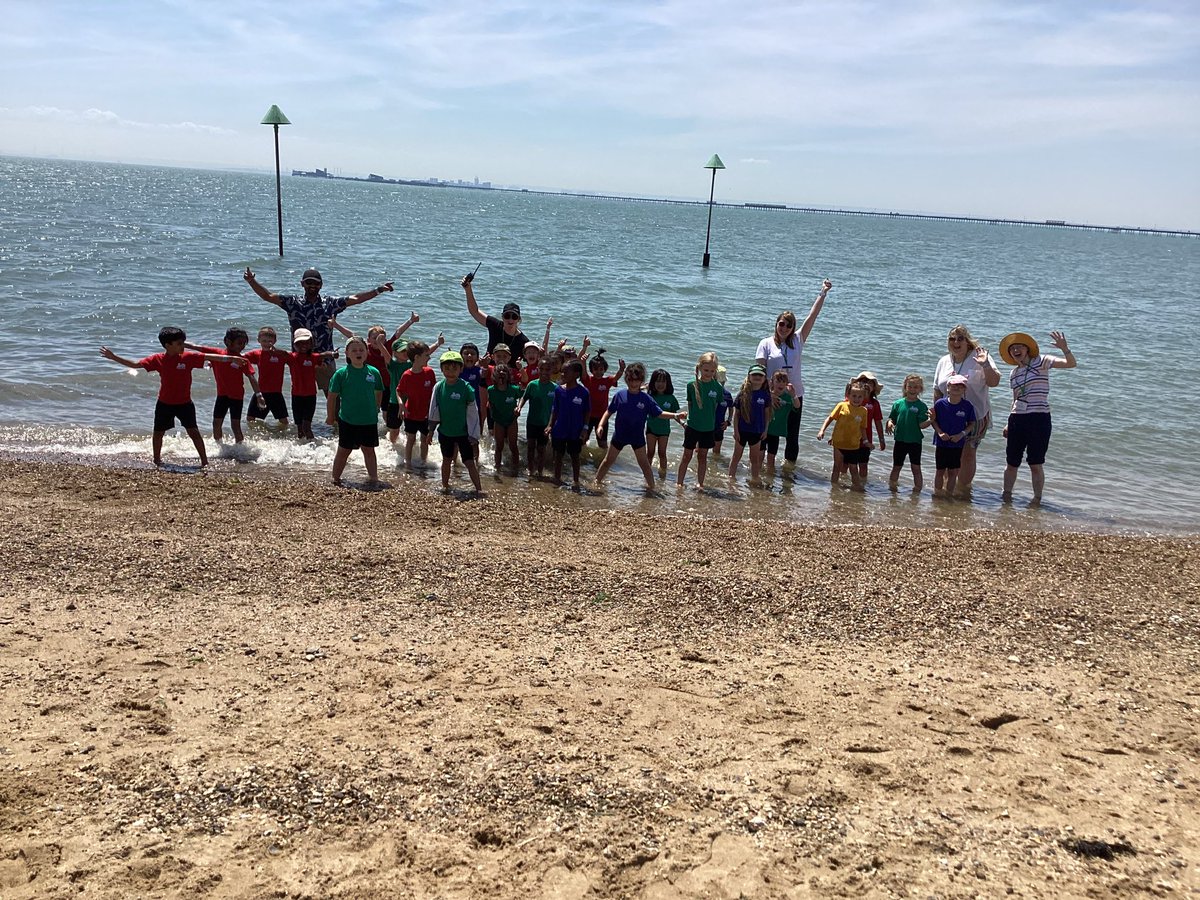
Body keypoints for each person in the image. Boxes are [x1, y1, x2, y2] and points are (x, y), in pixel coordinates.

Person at [99, 326, 245, 467]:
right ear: (167, 345)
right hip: (164, 403)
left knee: (194, 432)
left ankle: (204, 462)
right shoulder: (158, 359)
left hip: (185, 404)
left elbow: (209, 356)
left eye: (183, 343)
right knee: (158, 433)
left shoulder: (187, 357)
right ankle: (156, 460)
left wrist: (231, 359)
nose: (183, 346)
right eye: (179, 344)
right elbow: (136, 364)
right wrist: (114, 357)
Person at [242, 266, 394, 393]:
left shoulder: (330, 303)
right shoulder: (293, 303)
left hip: (325, 359)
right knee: (301, 397)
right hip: (299, 359)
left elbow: (356, 299)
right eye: (308, 283)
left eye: (316, 283)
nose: (312, 286)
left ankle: (336, 427)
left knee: (333, 395)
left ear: (321, 285)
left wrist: (378, 290)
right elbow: (268, 296)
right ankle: (301, 428)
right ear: (302, 283)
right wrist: (251, 281)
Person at [755, 278, 833, 465]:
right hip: (771, 395)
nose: (784, 328)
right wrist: (767, 394)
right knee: (767, 432)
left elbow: (812, 317)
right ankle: (762, 467)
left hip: (795, 395)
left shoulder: (798, 339)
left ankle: (789, 474)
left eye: (789, 325)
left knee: (792, 436)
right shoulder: (765, 343)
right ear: (776, 324)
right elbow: (759, 372)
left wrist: (823, 293)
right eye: (782, 324)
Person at [999, 330, 1077, 505]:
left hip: (1039, 418)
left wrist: (1065, 349)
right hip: (1017, 419)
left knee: (1035, 463)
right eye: (1012, 349)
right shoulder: (1014, 373)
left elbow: (1070, 364)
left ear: (1027, 349)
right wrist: (1007, 423)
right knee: (1011, 462)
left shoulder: (1042, 361)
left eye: (1020, 347)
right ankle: (1006, 496)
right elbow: (1016, 399)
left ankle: (1037, 500)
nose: (1016, 350)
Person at [932, 325, 1001, 496]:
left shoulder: (980, 357)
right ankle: (947, 489)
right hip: (947, 416)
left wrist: (985, 365)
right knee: (948, 452)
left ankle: (962, 491)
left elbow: (994, 382)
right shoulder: (944, 361)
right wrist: (935, 417)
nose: (956, 342)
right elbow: (937, 390)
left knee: (968, 453)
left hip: (975, 416)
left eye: (960, 338)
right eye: (952, 339)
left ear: (968, 341)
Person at [594, 363, 686, 490]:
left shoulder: (646, 398)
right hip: (619, 436)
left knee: (645, 465)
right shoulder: (620, 395)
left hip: (637, 438)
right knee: (607, 461)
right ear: (626, 380)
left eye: (637, 381)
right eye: (631, 380)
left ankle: (652, 488)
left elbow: (659, 413)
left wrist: (676, 415)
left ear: (641, 381)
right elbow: (609, 411)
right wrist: (600, 425)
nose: (633, 384)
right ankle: (596, 482)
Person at [185, 327, 263, 444]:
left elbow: (251, 377)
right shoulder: (216, 354)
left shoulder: (242, 360)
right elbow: (196, 347)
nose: (242, 347)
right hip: (222, 396)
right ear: (227, 341)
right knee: (216, 423)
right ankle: (219, 447)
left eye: (244, 344)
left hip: (237, 397)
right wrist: (180, 342)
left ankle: (240, 449)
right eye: (239, 343)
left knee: (235, 425)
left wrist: (259, 395)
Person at [326, 336, 383, 488]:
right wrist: (330, 416)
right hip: (348, 419)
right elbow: (332, 397)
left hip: (369, 420)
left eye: (361, 350)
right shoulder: (341, 374)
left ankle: (373, 478)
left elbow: (379, 392)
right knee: (344, 451)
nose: (358, 353)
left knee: (369, 451)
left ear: (367, 352)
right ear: (347, 353)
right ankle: (335, 478)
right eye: (354, 350)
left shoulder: (374, 372)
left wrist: (376, 407)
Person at [428, 350, 484, 495]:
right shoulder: (439, 387)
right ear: (441, 369)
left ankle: (479, 489)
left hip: (463, 433)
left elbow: (473, 413)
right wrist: (431, 431)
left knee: (469, 462)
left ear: (461, 369)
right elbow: (434, 410)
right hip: (445, 431)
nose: (450, 372)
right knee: (446, 460)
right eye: (447, 368)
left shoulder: (466, 388)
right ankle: (445, 486)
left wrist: (473, 434)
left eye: (454, 368)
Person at [677, 352, 722, 489]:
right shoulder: (692, 385)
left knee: (702, 456)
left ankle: (700, 483)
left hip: (708, 428)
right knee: (687, 455)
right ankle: (679, 482)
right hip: (693, 426)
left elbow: (716, 407)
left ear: (716, 371)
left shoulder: (717, 387)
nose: (709, 373)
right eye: (706, 370)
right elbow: (690, 404)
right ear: (700, 368)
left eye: (712, 371)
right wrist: (688, 421)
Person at [817, 379, 871, 491]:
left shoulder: (863, 411)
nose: (856, 399)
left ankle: (857, 489)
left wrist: (866, 441)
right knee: (837, 466)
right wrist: (822, 430)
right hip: (839, 443)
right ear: (848, 395)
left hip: (853, 445)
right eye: (854, 396)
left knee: (853, 468)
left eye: (859, 397)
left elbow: (863, 428)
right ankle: (834, 489)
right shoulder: (841, 406)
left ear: (864, 397)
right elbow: (830, 418)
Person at [461, 271, 529, 359]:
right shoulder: (495, 325)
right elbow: (474, 311)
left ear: (519, 319)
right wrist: (468, 289)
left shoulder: (523, 341)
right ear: (502, 317)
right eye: (507, 316)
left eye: (514, 317)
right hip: (489, 368)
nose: (510, 320)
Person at [546, 359, 591, 487]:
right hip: (559, 429)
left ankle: (576, 481)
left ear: (576, 374)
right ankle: (557, 478)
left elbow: (587, 412)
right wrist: (550, 425)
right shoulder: (559, 390)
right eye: (562, 372)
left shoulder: (583, 392)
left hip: (575, 430)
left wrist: (585, 429)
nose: (562, 375)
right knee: (558, 456)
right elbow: (554, 410)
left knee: (575, 457)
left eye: (566, 372)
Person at [285, 328, 336, 441]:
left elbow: (324, 355)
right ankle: (302, 450)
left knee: (306, 426)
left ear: (311, 343)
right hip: (296, 396)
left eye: (306, 342)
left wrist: (333, 354)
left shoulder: (313, 357)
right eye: (300, 343)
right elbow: (280, 354)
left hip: (310, 396)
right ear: (294, 344)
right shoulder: (292, 357)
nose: (303, 345)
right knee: (299, 428)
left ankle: (313, 447)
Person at [932, 373, 977, 497]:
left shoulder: (967, 406)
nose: (956, 388)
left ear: (964, 389)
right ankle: (937, 495)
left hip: (957, 444)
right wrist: (940, 433)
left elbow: (972, 423)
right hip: (941, 443)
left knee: (953, 472)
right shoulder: (940, 404)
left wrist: (961, 434)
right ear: (947, 388)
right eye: (953, 385)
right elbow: (933, 421)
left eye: (960, 386)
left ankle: (949, 495)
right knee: (940, 471)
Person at [886, 374, 932, 492]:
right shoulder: (898, 403)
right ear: (905, 387)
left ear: (920, 389)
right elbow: (892, 418)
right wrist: (890, 423)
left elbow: (922, 425)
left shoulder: (921, 406)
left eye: (916, 387)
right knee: (896, 466)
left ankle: (917, 491)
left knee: (916, 468)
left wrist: (931, 420)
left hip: (915, 442)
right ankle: (892, 490)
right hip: (900, 440)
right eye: (910, 386)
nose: (912, 389)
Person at [727, 365, 772, 485]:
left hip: (757, 431)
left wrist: (766, 430)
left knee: (754, 458)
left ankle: (755, 478)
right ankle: (731, 477)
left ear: (764, 379)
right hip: (742, 431)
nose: (757, 377)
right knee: (736, 456)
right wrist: (735, 431)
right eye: (754, 375)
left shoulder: (765, 395)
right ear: (749, 377)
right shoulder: (743, 394)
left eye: (760, 375)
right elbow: (736, 415)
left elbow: (767, 415)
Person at [516, 350, 557, 478]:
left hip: (545, 424)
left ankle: (540, 470)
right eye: (542, 369)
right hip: (532, 422)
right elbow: (524, 397)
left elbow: (555, 409)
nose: (545, 372)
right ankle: (530, 469)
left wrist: (550, 425)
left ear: (552, 371)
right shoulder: (532, 385)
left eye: (548, 370)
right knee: (530, 446)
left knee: (541, 448)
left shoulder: (555, 388)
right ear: (538, 369)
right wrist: (519, 407)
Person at [397, 340, 437, 468]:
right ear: (416, 357)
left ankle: (423, 462)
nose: (429, 357)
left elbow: (435, 392)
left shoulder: (429, 372)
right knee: (411, 439)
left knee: (425, 440)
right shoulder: (407, 375)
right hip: (411, 413)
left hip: (426, 414)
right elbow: (399, 391)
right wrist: (401, 404)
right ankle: (408, 463)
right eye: (426, 355)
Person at [244, 326, 290, 429]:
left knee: (283, 421)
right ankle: (257, 437)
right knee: (250, 418)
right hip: (261, 392)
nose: (267, 343)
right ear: (258, 340)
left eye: (270, 341)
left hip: (276, 393)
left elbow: (295, 359)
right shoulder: (256, 354)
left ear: (275, 341)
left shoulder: (281, 355)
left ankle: (283, 436)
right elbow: (240, 358)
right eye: (264, 340)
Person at [583, 351, 625, 449]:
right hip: (587, 416)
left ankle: (603, 461)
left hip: (602, 417)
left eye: (601, 369)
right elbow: (583, 373)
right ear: (591, 370)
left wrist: (621, 369)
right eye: (595, 369)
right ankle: (583, 461)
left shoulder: (607, 381)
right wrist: (583, 362)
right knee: (583, 440)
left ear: (604, 369)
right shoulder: (588, 380)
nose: (598, 372)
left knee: (602, 443)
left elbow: (616, 377)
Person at [486, 364, 522, 474]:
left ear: (508, 376)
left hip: (511, 420)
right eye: (499, 372)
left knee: (513, 445)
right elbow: (490, 404)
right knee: (499, 446)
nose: (501, 374)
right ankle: (497, 467)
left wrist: (518, 407)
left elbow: (522, 397)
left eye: (504, 372)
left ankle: (516, 467)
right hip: (499, 421)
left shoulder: (514, 389)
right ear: (494, 376)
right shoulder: (491, 390)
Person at [764, 371, 800, 474]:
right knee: (759, 455)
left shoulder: (788, 397)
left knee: (771, 458)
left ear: (787, 384)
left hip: (775, 432)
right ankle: (756, 474)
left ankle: (769, 478)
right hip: (763, 430)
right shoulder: (767, 395)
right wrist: (770, 394)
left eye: (783, 381)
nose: (780, 384)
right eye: (778, 381)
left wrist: (793, 395)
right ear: (772, 382)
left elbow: (797, 406)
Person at [646, 369, 679, 480]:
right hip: (651, 429)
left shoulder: (671, 398)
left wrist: (683, 423)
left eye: (663, 382)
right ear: (653, 383)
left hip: (664, 431)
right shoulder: (649, 397)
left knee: (662, 453)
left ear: (668, 383)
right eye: (657, 381)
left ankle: (663, 476)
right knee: (650, 452)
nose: (660, 384)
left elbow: (676, 415)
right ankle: (647, 474)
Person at [855, 371, 886, 478]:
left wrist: (881, 439)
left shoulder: (874, 404)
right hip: (850, 438)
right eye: (864, 381)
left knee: (863, 466)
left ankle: (862, 487)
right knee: (847, 464)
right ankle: (842, 486)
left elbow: (878, 422)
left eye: (870, 382)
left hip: (866, 441)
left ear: (874, 387)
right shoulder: (853, 400)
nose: (866, 384)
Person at [713, 366, 734, 456]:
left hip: (719, 425)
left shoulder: (727, 394)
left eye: (722, 382)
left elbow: (731, 408)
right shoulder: (708, 392)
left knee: (716, 451)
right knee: (700, 449)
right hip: (706, 424)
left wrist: (728, 421)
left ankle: (714, 467)